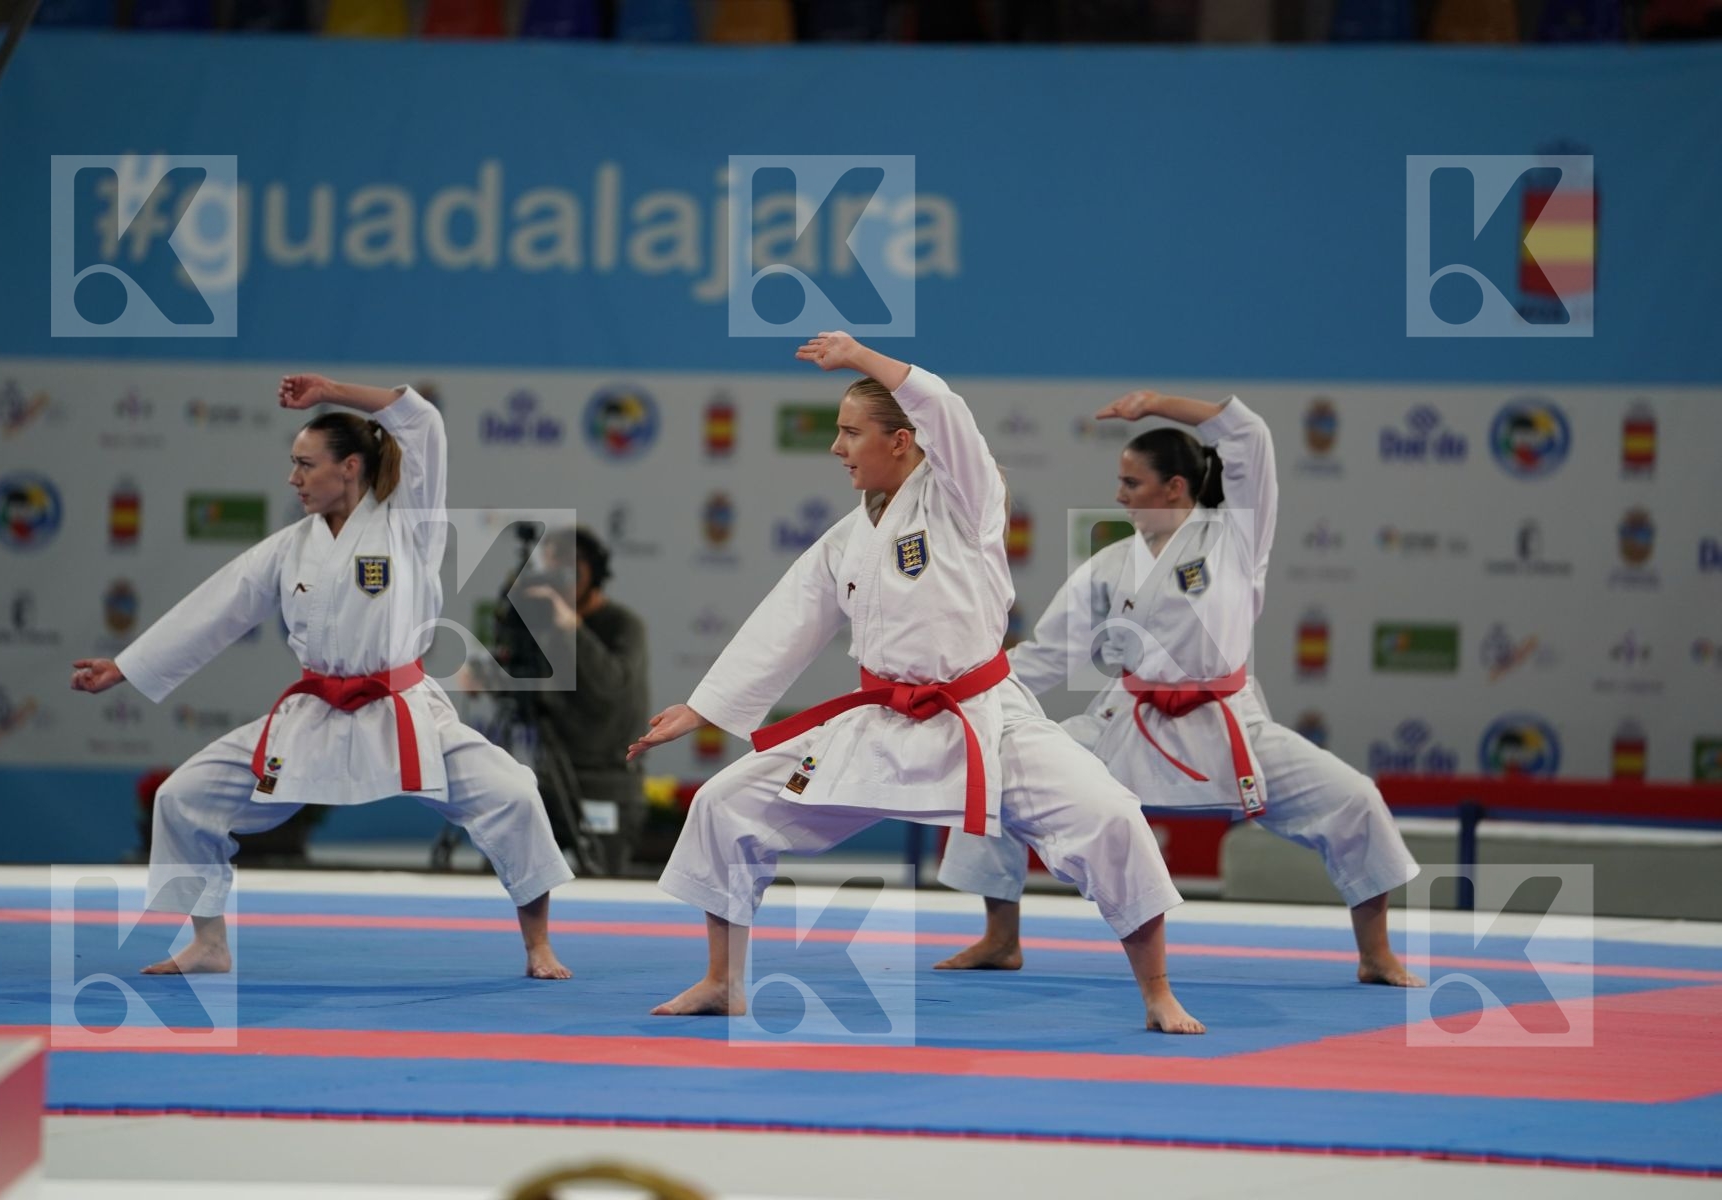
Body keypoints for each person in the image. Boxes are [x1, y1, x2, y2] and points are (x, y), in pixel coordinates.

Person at [627, 333, 1204, 1034]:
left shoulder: (965, 495)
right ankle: (722, 980)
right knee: (724, 803)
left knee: (1110, 817)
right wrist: (701, 708)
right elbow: (787, 622)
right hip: (880, 723)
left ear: (902, 440)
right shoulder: (848, 536)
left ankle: (1158, 994)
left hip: (982, 719)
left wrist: (862, 356)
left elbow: (943, 406)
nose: (837, 449)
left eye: (850, 433)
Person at [71, 376, 574, 979]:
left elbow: (424, 424)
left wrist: (329, 391)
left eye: (306, 465)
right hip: (314, 713)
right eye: (293, 465)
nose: (294, 478)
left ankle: (537, 946)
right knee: (183, 798)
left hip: (401, 707)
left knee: (514, 795)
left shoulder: (407, 522)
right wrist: (125, 666)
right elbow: (215, 609)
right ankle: (207, 942)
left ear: (351, 468)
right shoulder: (290, 548)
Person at [935, 389, 1422, 986]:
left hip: (1228, 726)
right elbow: (1049, 653)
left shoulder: (1237, 539)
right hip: (1124, 727)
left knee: (1356, 799)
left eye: (1132, 483)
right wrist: (963, 692)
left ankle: (1377, 954)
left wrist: (1160, 404)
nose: (1118, 495)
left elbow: (1251, 439)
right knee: (998, 778)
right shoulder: (1113, 563)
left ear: (1174, 488)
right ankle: (1001, 938)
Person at [505, 525, 650, 875]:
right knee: (527, 879)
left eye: (571, 568)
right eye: (551, 569)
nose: (561, 579)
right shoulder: (546, 627)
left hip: (607, 784)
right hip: (551, 781)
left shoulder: (623, 625)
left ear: (594, 572)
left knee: (604, 887)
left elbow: (611, 689)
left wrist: (571, 628)